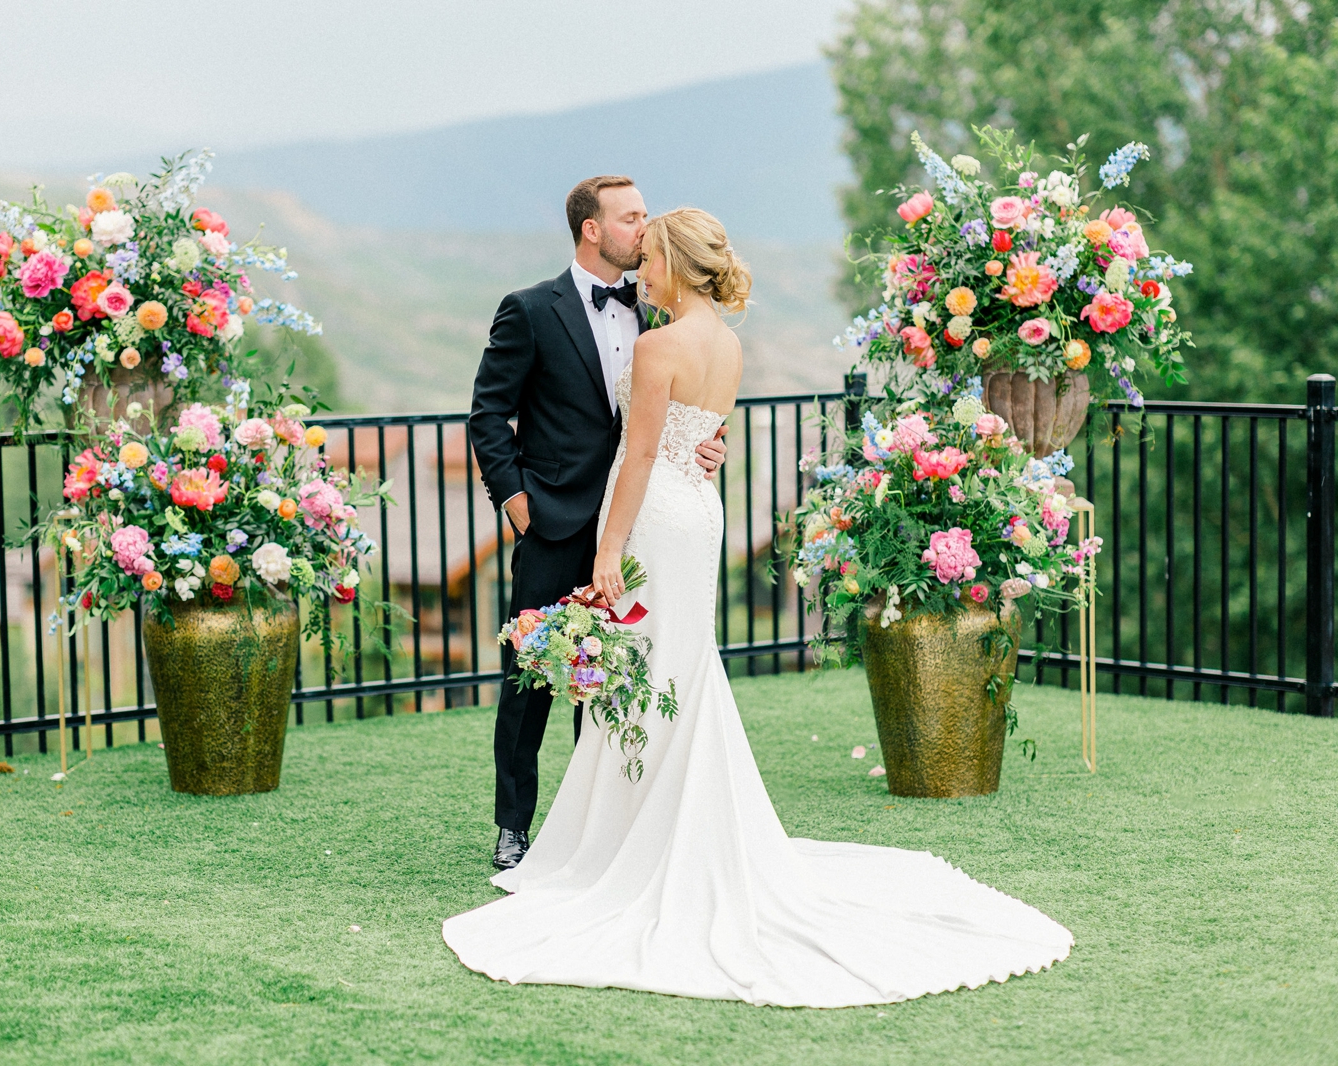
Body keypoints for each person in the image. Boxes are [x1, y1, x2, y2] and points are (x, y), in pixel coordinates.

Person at [445, 208, 1073, 1008]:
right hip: (696, 513)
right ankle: (646, 822)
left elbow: (639, 454)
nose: (641, 263)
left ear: (673, 262)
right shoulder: (727, 343)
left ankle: (630, 838)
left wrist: (609, 552)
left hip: (651, 519)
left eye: (651, 251)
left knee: (643, 664)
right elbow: (696, 435)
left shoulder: (655, 341)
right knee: (674, 662)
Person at [469, 176, 727, 871]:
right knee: (531, 677)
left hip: (638, 526)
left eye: (646, 218)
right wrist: (517, 503)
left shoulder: (659, 320)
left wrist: (708, 443)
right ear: (592, 228)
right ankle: (513, 826)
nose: (643, 230)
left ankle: (593, 828)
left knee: (614, 676)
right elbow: (488, 415)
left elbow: (669, 419)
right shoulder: (528, 310)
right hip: (553, 521)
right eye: (631, 217)